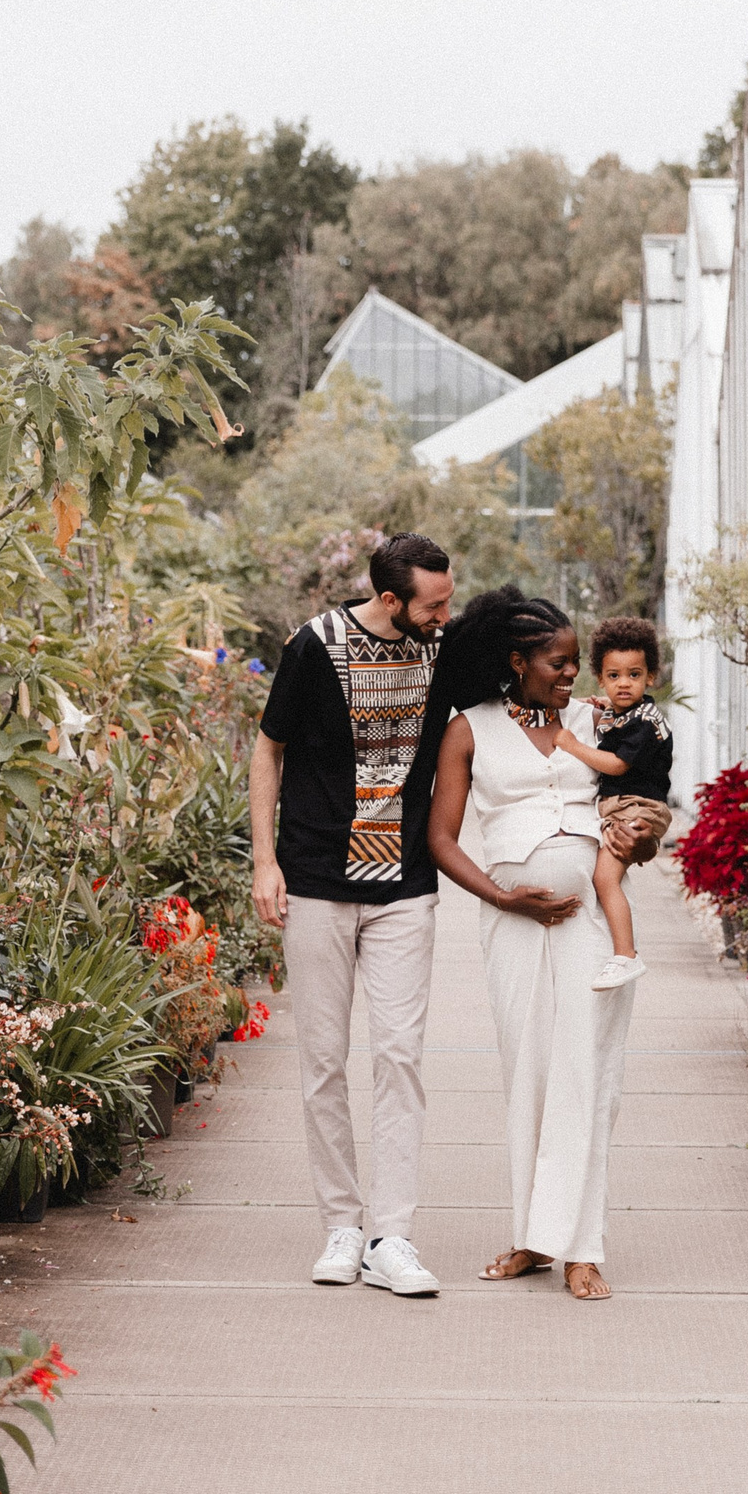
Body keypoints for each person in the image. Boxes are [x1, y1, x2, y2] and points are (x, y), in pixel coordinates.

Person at [250, 532, 456, 1296]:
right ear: (390, 598)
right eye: (433, 605)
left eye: (449, 601)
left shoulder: (441, 649)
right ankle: (341, 1224)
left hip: (406, 887)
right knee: (323, 1062)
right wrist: (264, 862)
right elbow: (268, 749)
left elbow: (524, 677)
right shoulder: (315, 646)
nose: (444, 616)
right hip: (316, 880)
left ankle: (390, 1237)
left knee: (399, 1057)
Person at [426, 587, 636, 1302]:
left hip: (589, 923)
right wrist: (502, 896)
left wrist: (636, 837)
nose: (572, 673)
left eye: (576, 661)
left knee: (588, 1076)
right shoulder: (470, 729)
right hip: (512, 925)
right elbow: (441, 839)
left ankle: (581, 1248)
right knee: (529, 1075)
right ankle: (532, 1236)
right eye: (558, 662)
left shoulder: (593, 721)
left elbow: (638, 797)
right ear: (516, 662)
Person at [550, 614, 673, 992]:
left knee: (605, 878)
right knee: (606, 876)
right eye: (614, 675)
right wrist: (601, 706)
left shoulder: (643, 723)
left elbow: (617, 764)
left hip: (638, 806)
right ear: (601, 678)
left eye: (634, 675)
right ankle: (619, 951)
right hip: (625, 805)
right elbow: (615, 718)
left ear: (650, 677)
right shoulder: (625, 713)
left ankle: (625, 955)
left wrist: (572, 745)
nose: (624, 683)